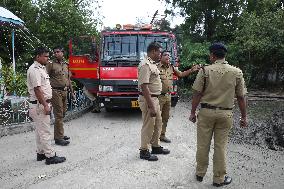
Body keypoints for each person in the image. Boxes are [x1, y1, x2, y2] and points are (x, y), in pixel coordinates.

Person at [189, 42, 247, 187]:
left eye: (210, 54)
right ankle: (219, 179)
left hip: (206, 113)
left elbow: (197, 93)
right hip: (225, 114)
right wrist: (244, 117)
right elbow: (241, 97)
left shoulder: (205, 71)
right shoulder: (236, 72)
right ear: (224, 55)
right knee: (221, 146)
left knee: (203, 144)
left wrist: (192, 112)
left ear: (213, 55)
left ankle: (200, 173)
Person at [27, 46, 66, 165]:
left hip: (40, 104)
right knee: (45, 131)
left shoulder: (41, 68)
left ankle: (41, 153)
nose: (48, 58)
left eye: (48, 56)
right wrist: (45, 105)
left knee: (40, 131)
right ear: (38, 56)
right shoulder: (34, 69)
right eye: (45, 56)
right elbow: (37, 89)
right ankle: (50, 156)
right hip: (40, 105)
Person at [157, 50, 199, 143]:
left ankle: (162, 135)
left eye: (169, 55)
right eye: (165, 55)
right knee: (157, 118)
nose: (168, 57)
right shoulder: (156, 67)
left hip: (168, 96)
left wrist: (191, 70)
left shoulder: (171, 67)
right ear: (161, 57)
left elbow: (181, 74)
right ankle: (154, 138)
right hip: (158, 97)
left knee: (165, 117)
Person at [138, 42, 170, 161]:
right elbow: (144, 87)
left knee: (158, 123)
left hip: (155, 98)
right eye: (159, 52)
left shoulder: (153, 64)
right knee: (148, 125)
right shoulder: (145, 65)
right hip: (149, 99)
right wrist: (151, 106)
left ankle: (155, 146)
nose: (160, 54)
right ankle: (144, 150)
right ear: (153, 51)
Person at [46, 46, 75, 146]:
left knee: (63, 113)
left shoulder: (66, 64)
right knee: (58, 114)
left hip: (65, 91)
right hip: (55, 92)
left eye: (58, 52)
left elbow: (68, 80)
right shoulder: (51, 64)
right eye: (55, 52)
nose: (56, 53)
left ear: (63, 53)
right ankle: (59, 138)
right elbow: (45, 78)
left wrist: (72, 92)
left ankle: (59, 133)